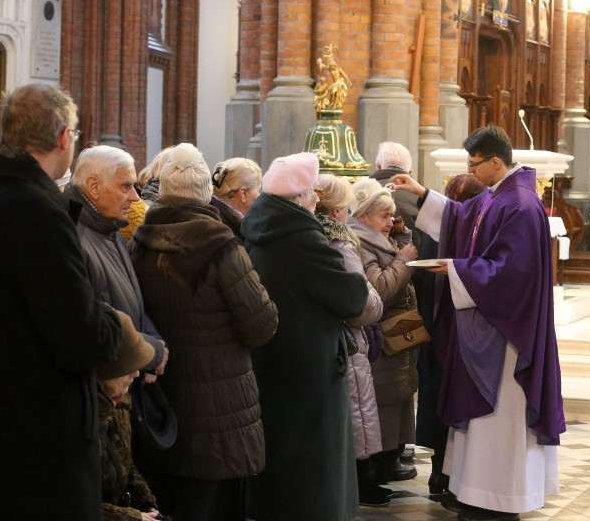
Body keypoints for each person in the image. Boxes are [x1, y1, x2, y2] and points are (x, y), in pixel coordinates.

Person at [0, 82, 124, 518]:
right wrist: (113, 324)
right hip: (42, 442)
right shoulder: (39, 214)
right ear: (64, 138)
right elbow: (80, 336)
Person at [389, 125, 564, 521]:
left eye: (473, 164)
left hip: (506, 333)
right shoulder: (499, 195)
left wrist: (453, 269)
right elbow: (463, 217)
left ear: (496, 162)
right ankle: (477, 492)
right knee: (483, 421)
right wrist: (420, 193)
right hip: (492, 324)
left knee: (499, 416)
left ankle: (499, 497)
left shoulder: (518, 203)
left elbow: (511, 273)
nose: (468, 172)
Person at [130, 143, 278, 521]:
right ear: (203, 193)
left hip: (161, 396)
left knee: (169, 501)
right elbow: (262, 324)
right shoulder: (221, 246)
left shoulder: (137, 242)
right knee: (213, 504)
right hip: (220, 401)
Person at [241, 152, 369, 521]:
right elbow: (352, 296)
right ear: (297, 197)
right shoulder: (302, 237)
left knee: (282, 450)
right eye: (311, 191)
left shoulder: (257, 227)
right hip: (311, 364)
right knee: (315, 465)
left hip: (272, 357)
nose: (316, 197)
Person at [314, 173, 389, 507]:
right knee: (358, 412)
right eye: (345, 208)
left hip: (330, 337)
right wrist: (374, 300)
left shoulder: (309, 240)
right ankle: (361, 484)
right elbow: (362, 302)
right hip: (348, 338)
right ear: (335, 212)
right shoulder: (341, 244)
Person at [69, 145, 168, 381]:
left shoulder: (110, 227)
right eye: (126, 186)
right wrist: (151, 352)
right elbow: (89, 327)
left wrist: (156, 345)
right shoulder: (75, 240)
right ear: (94, 187)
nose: (135, 197)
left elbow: (135, 304)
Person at [415, 174, 486, 497]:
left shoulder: (435, 225)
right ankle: (450, 474)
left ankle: (438, 473)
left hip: (435, 325)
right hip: (457, 327)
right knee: (449, 399)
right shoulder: (475, 230)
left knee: (437, 399)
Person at [348, 178, 420, 485]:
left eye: (392, 216)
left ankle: (391, 459)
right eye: (384, 217)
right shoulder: (361, 243)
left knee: (399, 397)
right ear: (364, 216)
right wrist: (403, 261)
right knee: (384, 401)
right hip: (381, 337)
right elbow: (379, 289)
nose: (390, 222)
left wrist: (399, 235)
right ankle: (379, 466)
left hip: (397, 335)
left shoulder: (377, 236)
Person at [96, 317, 165, 520]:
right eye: (127, 367)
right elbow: (73, 506)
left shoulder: (120, 401)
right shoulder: (78, 420)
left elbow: (125, 464)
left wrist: (146, 504)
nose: (136, 373)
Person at [370, 141, 421, 250]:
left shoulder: (361, 193)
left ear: (379, 167)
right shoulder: (422, 198)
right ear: (410, 172)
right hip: (415, 263)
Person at [210, 156, 262, 236]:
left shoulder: (207, 216)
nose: (259, 196)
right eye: (258, 190)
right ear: (243, 194)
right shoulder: (232, 234)